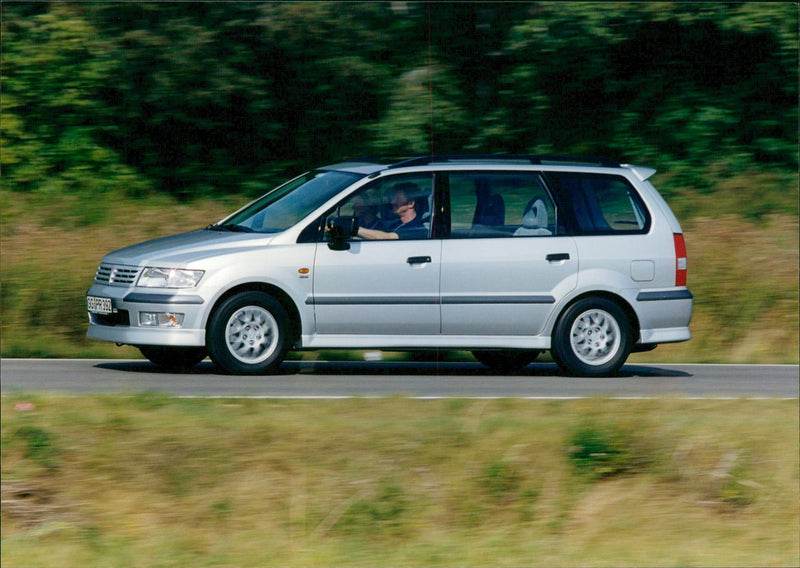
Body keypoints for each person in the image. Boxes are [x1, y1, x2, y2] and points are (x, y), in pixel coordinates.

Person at [357, 183, 428, 240]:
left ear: (410, 204)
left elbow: (387, 238)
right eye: (393, 198)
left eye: (397, 198)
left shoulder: (417, 228)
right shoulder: (396, 224)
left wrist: (356, 229)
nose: (392, 202)